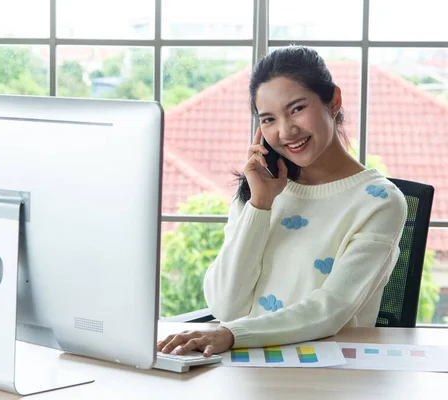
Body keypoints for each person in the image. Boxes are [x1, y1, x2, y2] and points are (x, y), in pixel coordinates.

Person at [157, 46, 407, 357]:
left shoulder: (380, 202)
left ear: (334, 101)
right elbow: (225, 305)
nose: (286, 131)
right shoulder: (261, 186)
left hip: (327, 372)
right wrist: (259, 205)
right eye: (269, 119)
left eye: (297, 109)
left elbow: (331, 309)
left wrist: (232, 335)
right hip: (245, 364)